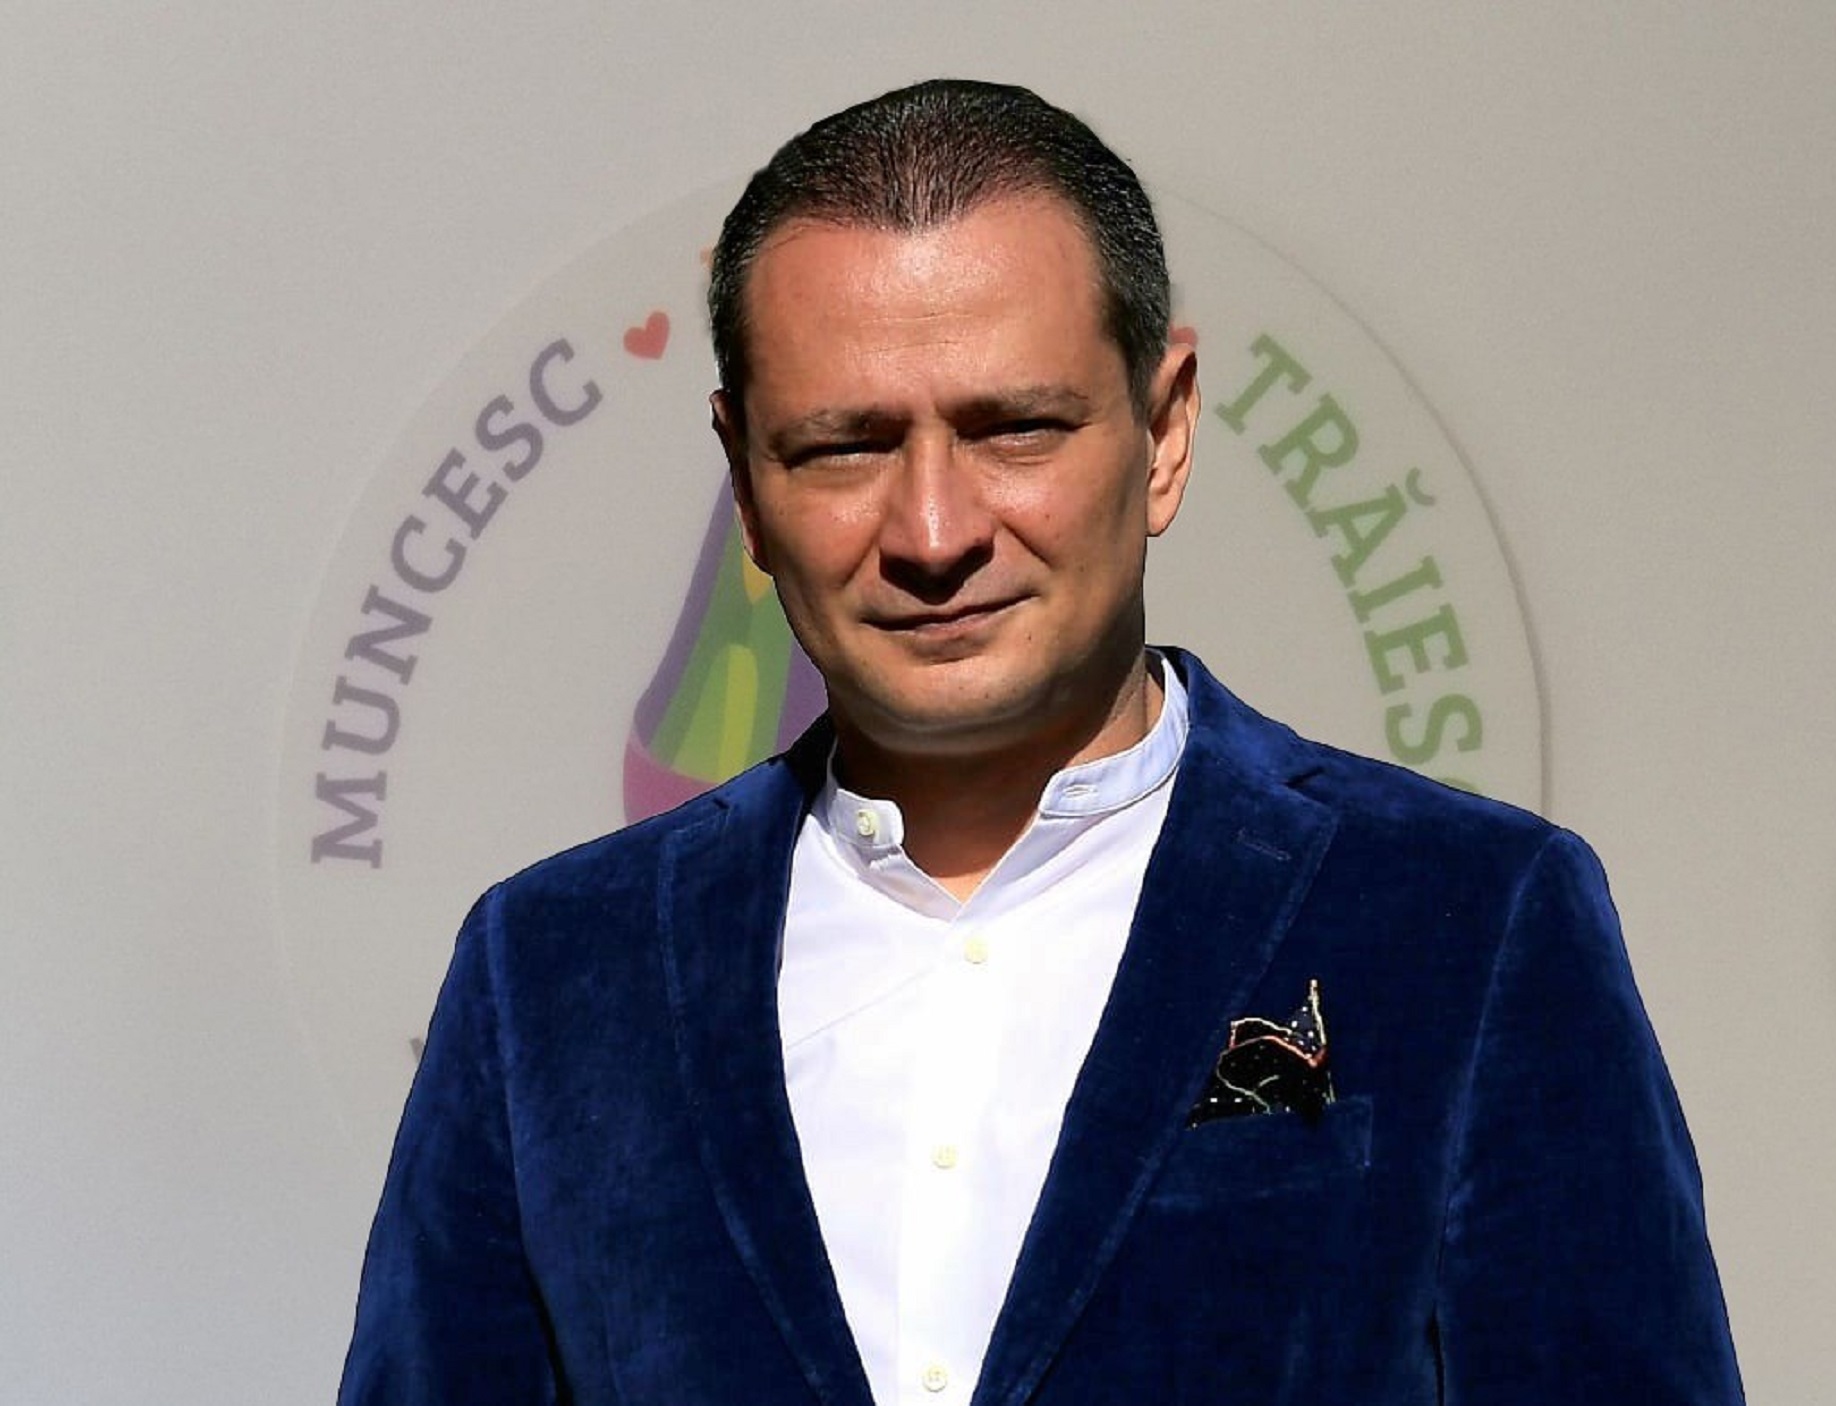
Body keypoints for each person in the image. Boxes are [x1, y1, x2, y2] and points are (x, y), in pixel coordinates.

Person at [340, 79, 1743, 1405]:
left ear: (1165, 431)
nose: (933, 530)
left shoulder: (1468, 919)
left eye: (1014, 428)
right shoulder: (551, 975)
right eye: (843, 445)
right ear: (746, 482)